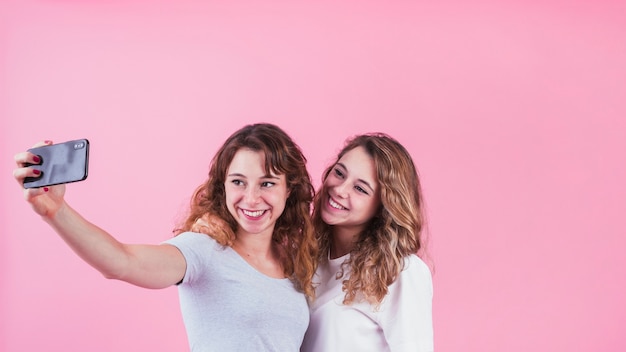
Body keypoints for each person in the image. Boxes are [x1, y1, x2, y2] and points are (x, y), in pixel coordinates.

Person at [12, 123, 318, 352]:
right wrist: (57, 211)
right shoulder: (203, 249)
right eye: (238, 182)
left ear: (288, 190)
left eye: (267, 184)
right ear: (222, 186)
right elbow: (122, 261)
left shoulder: (295, 263)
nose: (251, 199)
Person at [300, 133, 434, 352]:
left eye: (360, 188)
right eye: (339, 173)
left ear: (383, 206)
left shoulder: (400, 272)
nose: (340, 190)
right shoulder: (306, 259)